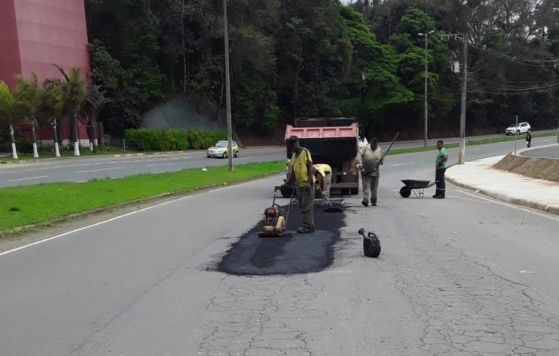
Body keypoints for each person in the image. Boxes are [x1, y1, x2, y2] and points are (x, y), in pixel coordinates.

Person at [281, 136, 316, 233]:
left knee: (306, 205)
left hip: (308, 184)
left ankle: (307, 226)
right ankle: (310, 225)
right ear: (290, 145)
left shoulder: (305, 152)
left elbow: (311, 167)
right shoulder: (293, 157)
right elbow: (293, 172)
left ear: (298, 142)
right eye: (292, 143)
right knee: (302, 205)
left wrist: (308, 182)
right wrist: (286, 183)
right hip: (300, 185)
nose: (294, 144)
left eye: (295, 142)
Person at [356, 137, 383, 207]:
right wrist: (360, 163)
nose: (373, 146)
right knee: (366, 186)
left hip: (375, 172)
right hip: (365, 171)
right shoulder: (365, 148)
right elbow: (359, 155)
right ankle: (365, 199)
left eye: (375, 145)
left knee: (374, 187)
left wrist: (381, 161)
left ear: (377, 144)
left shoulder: (379, 150)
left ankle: (373, 200)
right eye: (372, 144)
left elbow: (382, 160)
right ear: (370, 143)